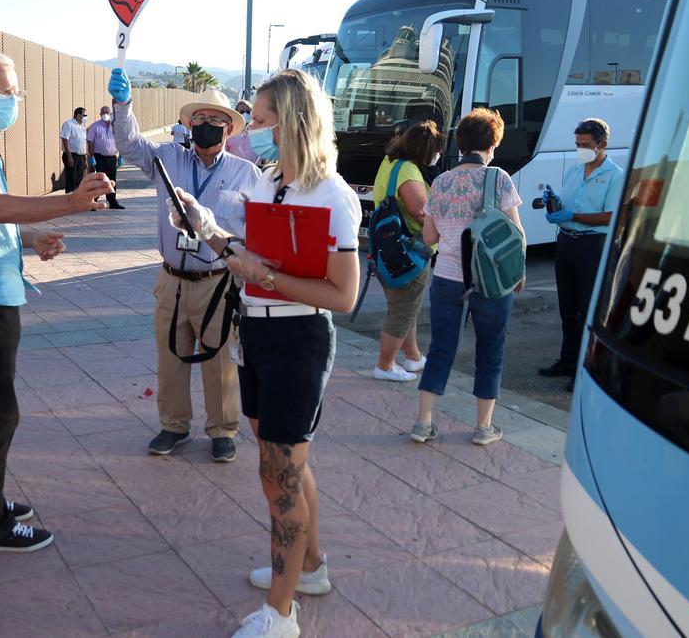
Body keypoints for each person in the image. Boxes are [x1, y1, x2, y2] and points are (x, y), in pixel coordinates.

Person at [163, 69, 361, 638]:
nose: (253, 128)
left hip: (299, 340)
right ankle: (311, 567)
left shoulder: (332, 194)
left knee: (279, 475)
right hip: (256, 333)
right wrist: (207, 230)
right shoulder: (269, 181)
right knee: (285, 461)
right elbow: (247, 252)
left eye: (263, 119)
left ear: (294, 121)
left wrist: (263, 276)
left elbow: (342, 295)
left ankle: (280, 611)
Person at [0, 53, 114, 553]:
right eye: (3, 92)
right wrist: (70, 202)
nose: (12, 102)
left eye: (17, 94)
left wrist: (31, 238)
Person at [109, 68, 261, 463]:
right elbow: (128, 143)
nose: (207, 126)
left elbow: (255, 233)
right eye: (200, 120)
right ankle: (174, 425)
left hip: (217, 281)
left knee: (219, 359)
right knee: (171, 355)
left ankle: (223, 429)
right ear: (189, 124)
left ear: (229, 129)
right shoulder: (166, 159)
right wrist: (123, 105)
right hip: (172, 279)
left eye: (215, 121)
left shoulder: (246, 174)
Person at [410, 108, 526, 447]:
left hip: (446, 278)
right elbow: (516, 234)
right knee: (491, 350)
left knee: (441, 347)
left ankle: (423, 423)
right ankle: (482, 428)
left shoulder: (442, 181)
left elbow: (429, 237)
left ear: (460, 143)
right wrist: (516, 274)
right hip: (490, 280)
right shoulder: (499, 178)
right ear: (492, 144)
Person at [538, 118, 622, 391]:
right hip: (567, 243)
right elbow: (567, 202)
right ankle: (568, 360)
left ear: (602, 145)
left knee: (588, 310)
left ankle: (587, 369)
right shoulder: (575, 171)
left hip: (592, 245)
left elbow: (611, 216)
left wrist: (573, 215)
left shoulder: (615, 176)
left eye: (585, 145)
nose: (580, 149)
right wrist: (555, 204)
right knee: (567, 307)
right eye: (577, 144)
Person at [370, 121, 443, 382]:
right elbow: (422, 213)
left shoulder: (389, 162)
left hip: (387, 248)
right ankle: (385, 366)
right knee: (402, 312)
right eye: (435, 151)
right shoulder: (410, 171)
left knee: (404, 307)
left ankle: (413, 358)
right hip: (409, 252)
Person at [87, 105, 124, 209]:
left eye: (106, 112)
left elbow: (120, 142)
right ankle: (93, 202)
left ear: (110, 113)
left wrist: (121, 156)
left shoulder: (116, 127)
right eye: (102, 112)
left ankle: (113, 202)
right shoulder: (95, 126)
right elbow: (90, 141)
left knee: (112, 180)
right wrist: (92, 157)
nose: (105, 114)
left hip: (112, 157)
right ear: (100, 114)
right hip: (99, 157)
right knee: (99, 180)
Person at [60, 106, 88, 192]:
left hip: (81, 156)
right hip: (72, 155)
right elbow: (65, 139)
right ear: (78, 115)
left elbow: (83, 142)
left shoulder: (82, 126)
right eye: (84, 115)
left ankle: (76, 199)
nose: (86, 117)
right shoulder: (69, 124)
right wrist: (69, 156)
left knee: (79, 180)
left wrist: (85, 158)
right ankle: (69, 200)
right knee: (71, 179)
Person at [225, 100, 260, 164]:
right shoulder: (230, 132)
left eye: (248, 112)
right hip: (231, 168)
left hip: (252, 170)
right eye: (241, 112)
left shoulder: (259, 133)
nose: (245, 114)